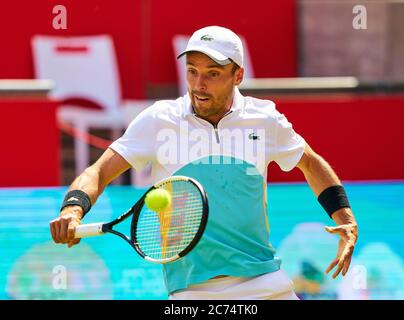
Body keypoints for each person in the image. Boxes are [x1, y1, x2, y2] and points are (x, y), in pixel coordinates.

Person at [50, 26, 358, 300]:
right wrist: (72, 209)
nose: (199, 84)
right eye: (192, 71)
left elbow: (310, 162)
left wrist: (345, 219)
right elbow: (99, 171)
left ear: (238, 76)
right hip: (192, 289)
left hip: (265, 279)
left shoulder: (264, 119)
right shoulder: (159, 120)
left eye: (212, 73)